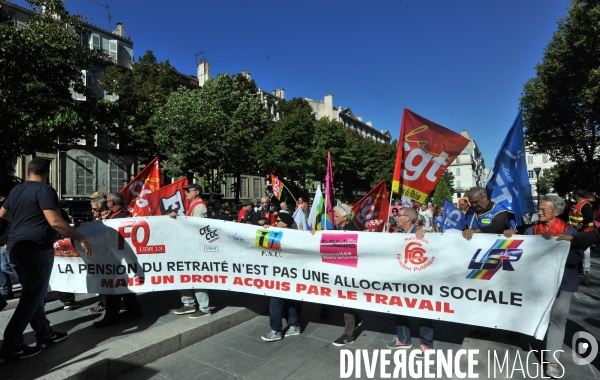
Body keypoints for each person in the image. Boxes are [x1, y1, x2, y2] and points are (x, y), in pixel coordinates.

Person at [0, 158, 93, 359]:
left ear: (27, 170)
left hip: (15, 247)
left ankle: (45, 333)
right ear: (48, 172)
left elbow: (3, 213)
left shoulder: (17, 190)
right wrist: (81, 238)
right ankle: (12, 343)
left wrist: (25, 220)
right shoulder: (45, 191)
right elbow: (56, 222)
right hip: (36, 249)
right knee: (33, 297)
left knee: (31, 295)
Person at [505, 195, 582, 379]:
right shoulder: (532, 231)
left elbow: (575, 259)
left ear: (557, 212)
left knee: (557, 319)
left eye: (543, 210)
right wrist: (509, 236)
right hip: (536, 283)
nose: (538, 212)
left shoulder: (570, 231)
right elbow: (520, 252)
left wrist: (558, 243)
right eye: (539, 209)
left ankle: (552, 362)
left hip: (564, 282)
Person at [386, 207, 431, 357]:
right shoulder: (395, 234)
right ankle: (404, 339)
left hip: (419, 281)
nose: (396, 217)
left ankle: (427, 344)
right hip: (400, 279)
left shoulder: (421, 233)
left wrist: (426, 235)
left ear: (408, 219)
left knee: (424, 310)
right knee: (398, 306)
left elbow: (433, 247)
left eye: (400, 215)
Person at [93, 192, 142, 328]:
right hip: (124, 257)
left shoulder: (117, 219)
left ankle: (111, 317)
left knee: (113, 288)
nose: (105, 203)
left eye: (107, 201)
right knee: (123, 285)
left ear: (113, 203)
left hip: (116, 258)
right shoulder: (123, 215)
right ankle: (134, 311)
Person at [170, 184, 212, 318]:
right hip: (188, 248)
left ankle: (204, 308)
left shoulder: (200, 206)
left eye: (188, 191)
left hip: (195, 249)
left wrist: (179, 219)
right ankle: (189, 303)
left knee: (197, 276)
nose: (186, 193)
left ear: (197, 192)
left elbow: (197, 226)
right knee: (184, 275)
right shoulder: (192, 206)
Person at [261, 212, 302, 341]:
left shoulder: (292, 236)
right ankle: (294, 326)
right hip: (287, 275)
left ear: (285, 224)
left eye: (278, 221)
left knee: (275, 303)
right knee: (289, 301)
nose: (275, 223)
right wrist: (268, 230)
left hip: (283, 276)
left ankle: (276, 331)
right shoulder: (282, 233)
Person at [331, 204, 364, 347]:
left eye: (337, 216)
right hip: (342, 270)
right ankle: (357, 317)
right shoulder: (341, 229)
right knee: (341, 302)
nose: (335, 218)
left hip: (348, 272)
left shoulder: (351, 231)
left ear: (345, 217)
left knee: (346, 303)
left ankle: (349, 335)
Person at [568, 189, 594, 283]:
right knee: (577, 250)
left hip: (585, 231)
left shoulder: (585, 205)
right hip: (575, 231)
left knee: (586, 250)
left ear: (576, 195)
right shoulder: (575, 205)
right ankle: (579, 270)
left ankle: (586, 270)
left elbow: (589, 217)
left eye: (574, 195)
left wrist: (582, 224)